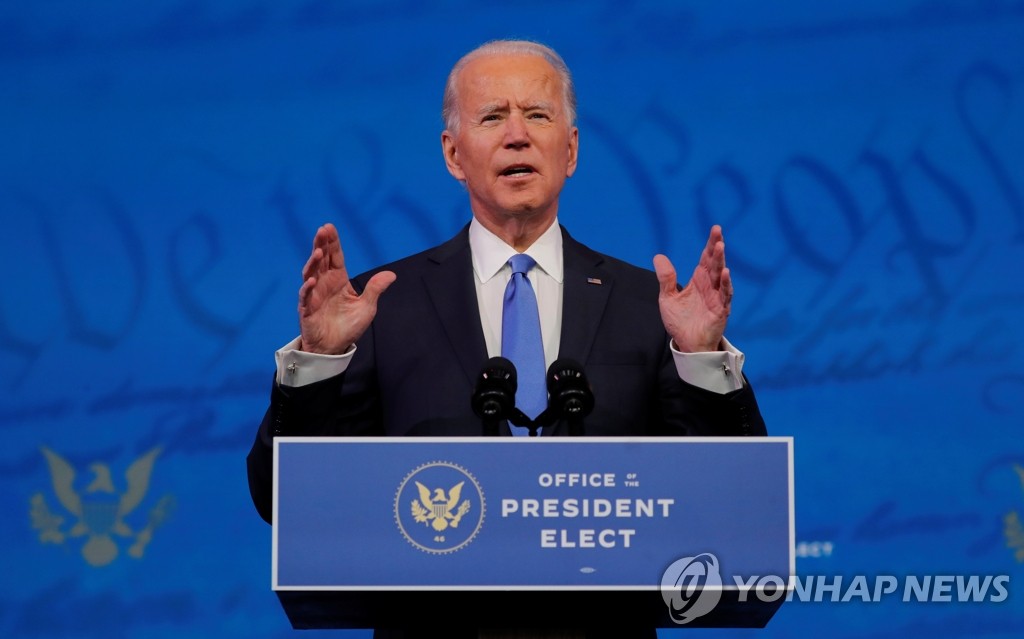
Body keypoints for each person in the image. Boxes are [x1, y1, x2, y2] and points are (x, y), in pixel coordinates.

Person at [247, 39, 767, 638]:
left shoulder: (650, 305)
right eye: (492, 116)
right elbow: (282, 502)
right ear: (453, 154)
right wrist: (320, 360)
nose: (517, 135)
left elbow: (734, 505)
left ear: (569, 151)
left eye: (538, 115)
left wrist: (702, 358)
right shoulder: (378, 306)